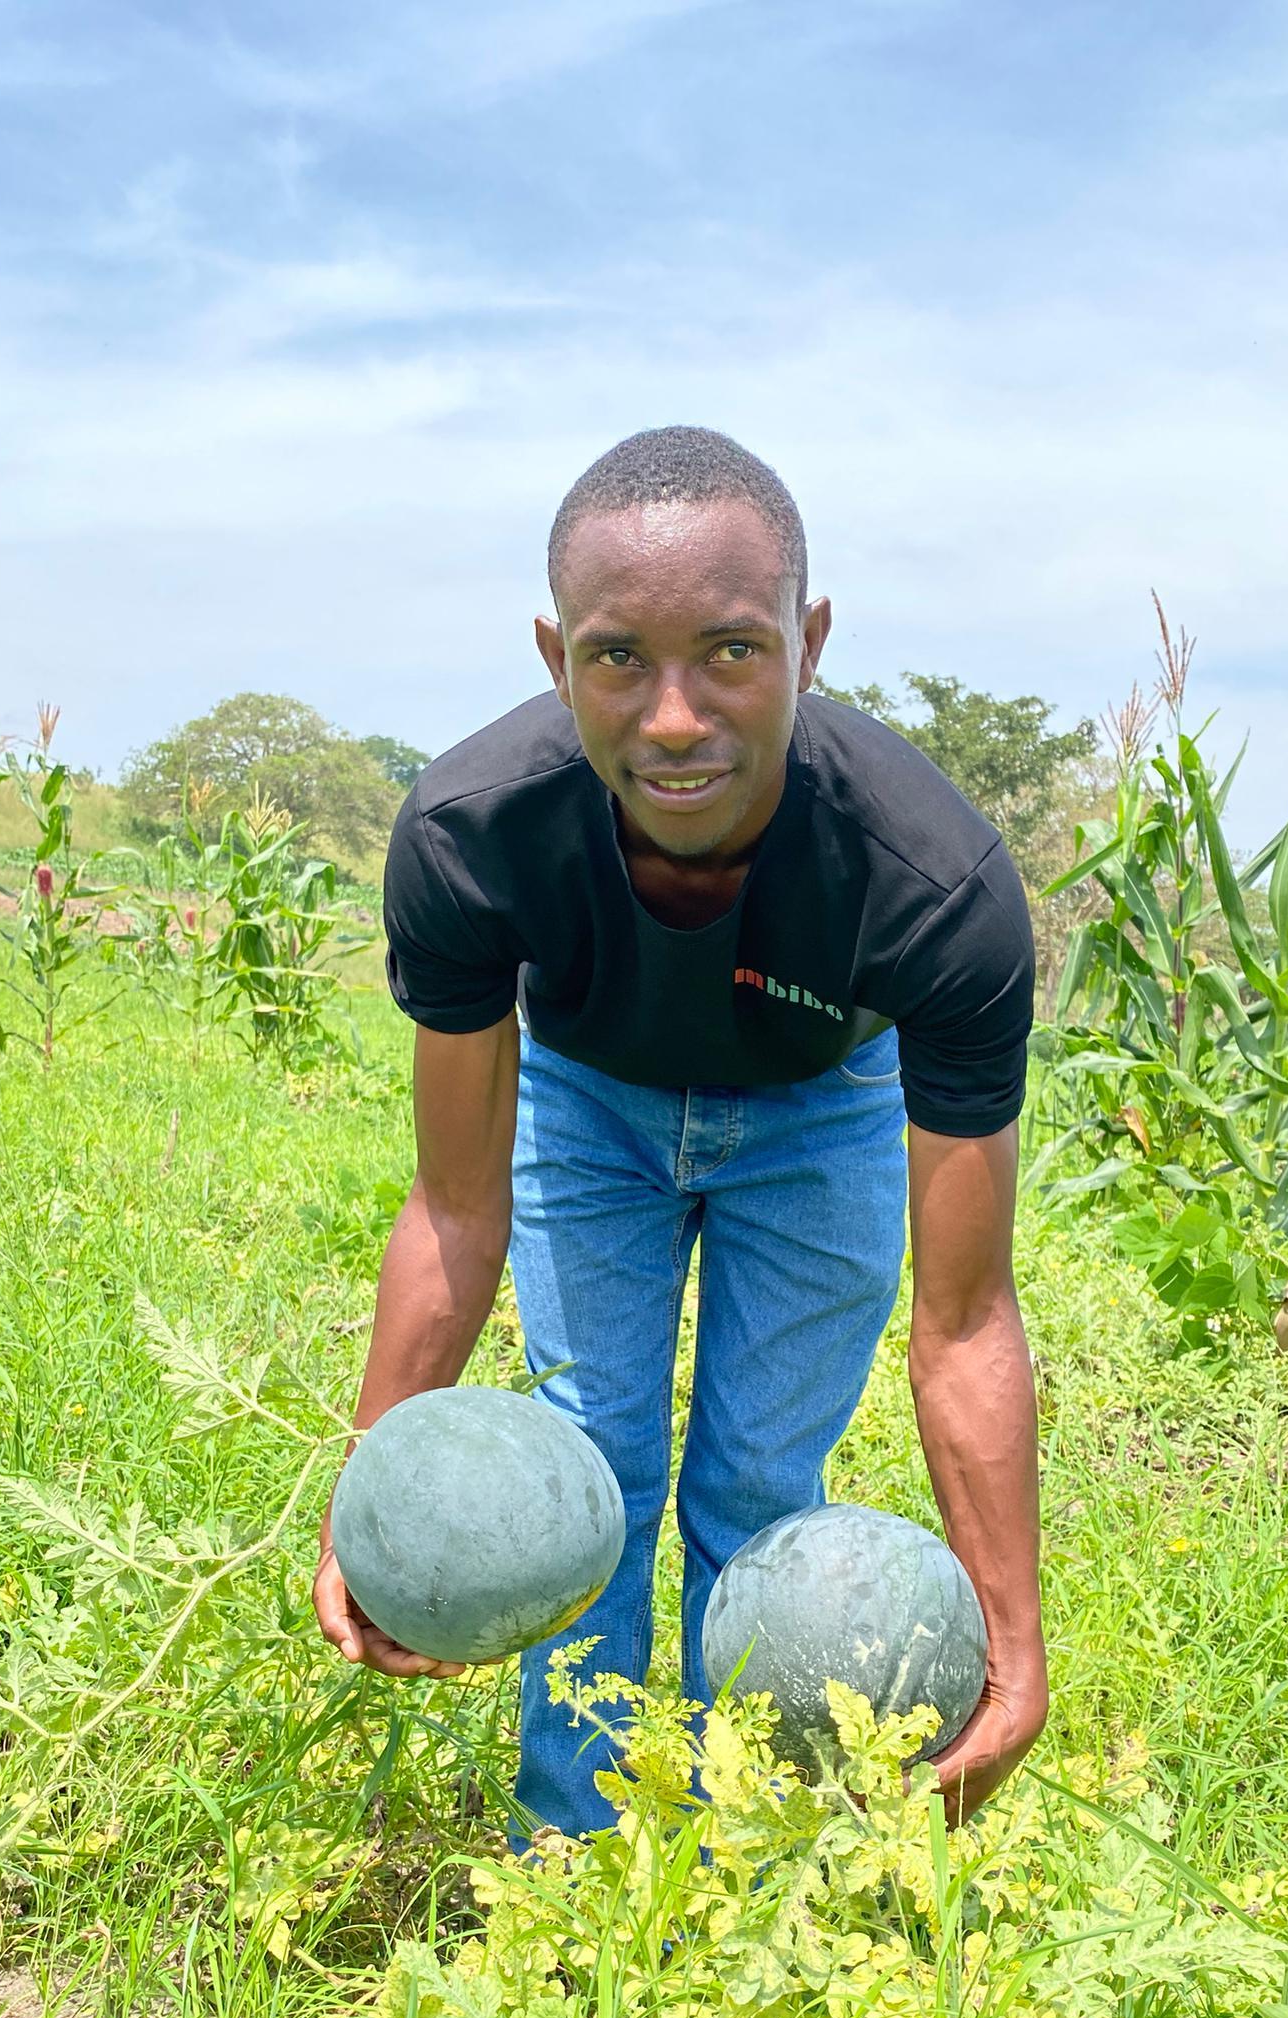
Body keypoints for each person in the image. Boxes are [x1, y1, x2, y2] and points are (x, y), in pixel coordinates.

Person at [312, 425, 1048, 1836]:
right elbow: (456, 1213)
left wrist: (1012, 1650)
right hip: (585, 1105)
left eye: (729, 652)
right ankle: (577, 1854)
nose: (671, 717)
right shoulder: (471, 836)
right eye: (615, 659)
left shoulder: (933, 886)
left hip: (821, 1104)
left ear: (809, 640)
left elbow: (964, 1323)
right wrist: (377, 1499)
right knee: (583, 1468)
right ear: (553, 656)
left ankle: (734, 1854)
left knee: (758, 1485)